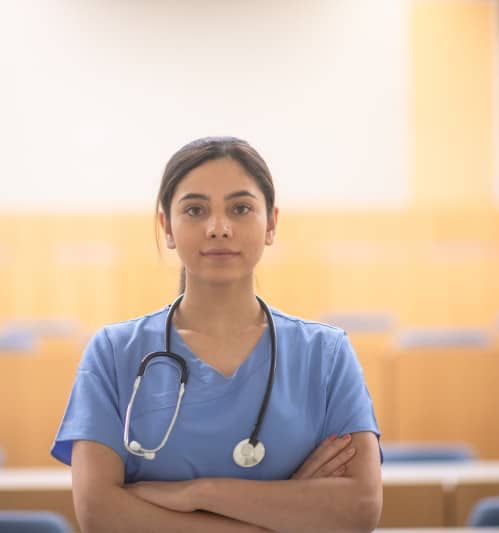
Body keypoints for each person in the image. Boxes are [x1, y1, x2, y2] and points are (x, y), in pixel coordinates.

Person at [51, 136, 383, 532]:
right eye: (195, 210)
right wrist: (287, 509)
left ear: (271, 224)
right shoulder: (113, 353)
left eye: (241, 208)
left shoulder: (326, 354)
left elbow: (359, 508)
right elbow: (100, 515)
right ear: (167, 227)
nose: (219, 228)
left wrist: (199, 494)